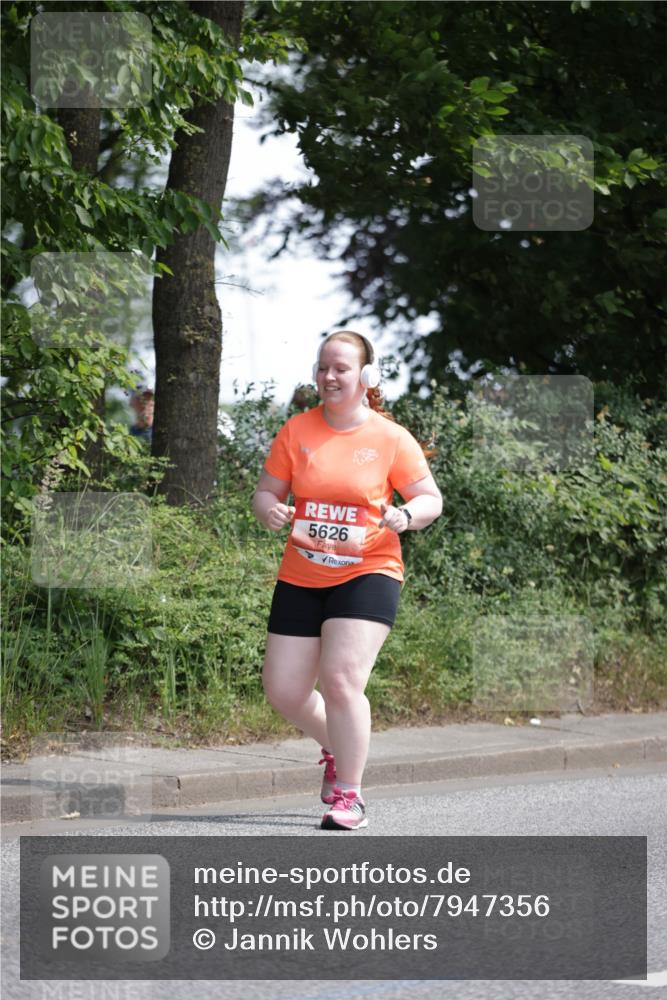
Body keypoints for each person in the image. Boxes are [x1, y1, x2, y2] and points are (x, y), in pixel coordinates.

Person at [252, 331, 442, 830]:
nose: (329, 377)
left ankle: (350, 796)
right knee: (284, 692)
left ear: (366, 376)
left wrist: (406, 515)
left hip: (369, 571)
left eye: (340, 368)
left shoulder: (389, 437)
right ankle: (337, 745)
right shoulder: (297, 431)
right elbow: (265, 493)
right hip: (301, 572)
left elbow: (430, 498)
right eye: (322, 368)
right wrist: (270, 510)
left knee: (340, 679)